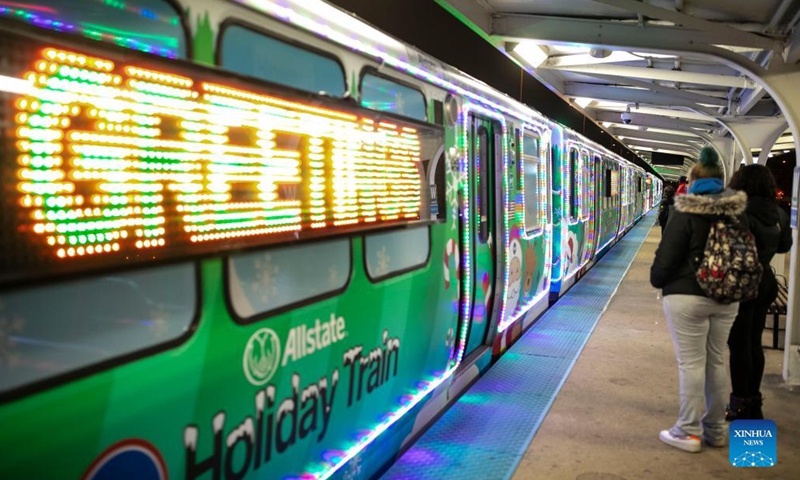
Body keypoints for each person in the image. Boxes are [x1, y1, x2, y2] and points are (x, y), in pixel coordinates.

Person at [650, 147, 748, 453]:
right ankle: (716, 430)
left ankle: (688, 432)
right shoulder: (736, 213)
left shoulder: (686, 210)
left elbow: (665, 261)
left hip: (687, 296)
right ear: (722, 181)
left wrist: (659, 279)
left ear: (693, 179)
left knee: (691, 363)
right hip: (728, 296)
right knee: (717, 361)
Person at [726, 165, 792, 421]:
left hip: (743, 284)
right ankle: (753, 401)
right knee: (754, 342)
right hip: (765, 281)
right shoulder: (778, 214)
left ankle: (740, 404)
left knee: (739, 343)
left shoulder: (739, 211)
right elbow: (785, 245)